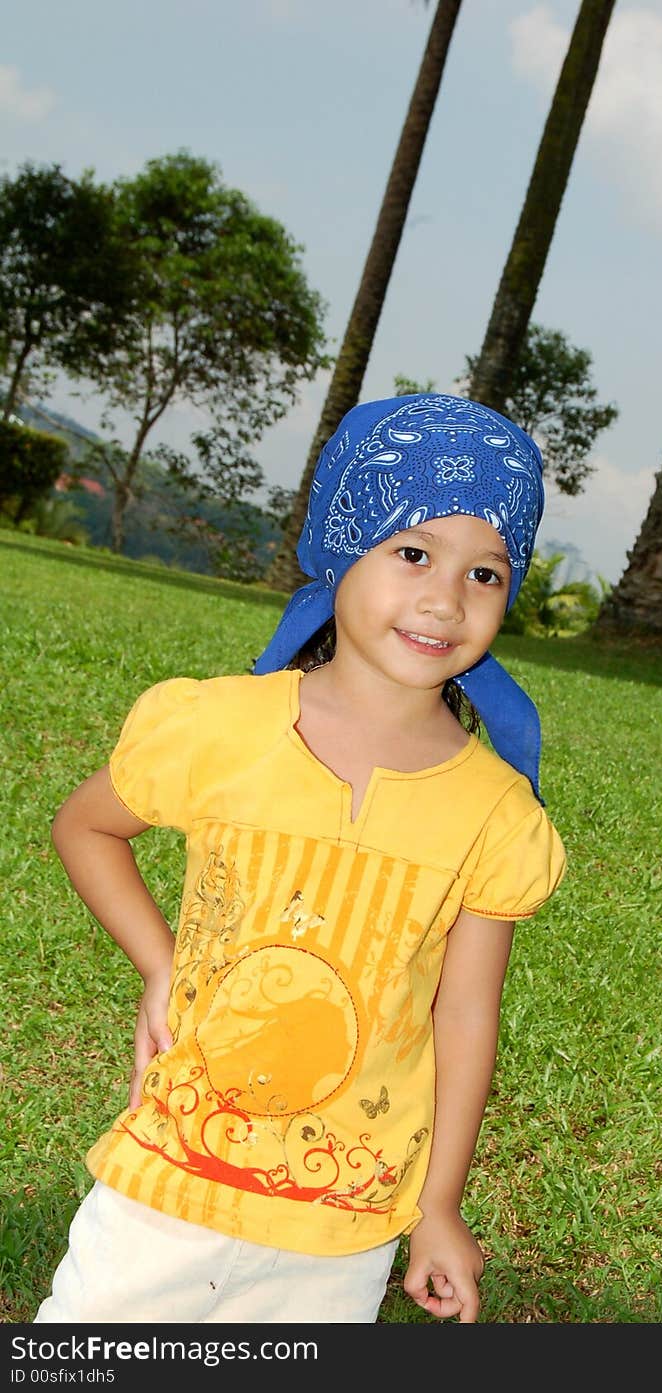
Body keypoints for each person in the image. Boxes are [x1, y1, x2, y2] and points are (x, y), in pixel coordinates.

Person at [35, 392, 567, 1325]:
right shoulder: (219, 727)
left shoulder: (495, 812)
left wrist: (436, 1204)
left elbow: (466, 1013)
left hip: (341, 1228)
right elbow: (86, 827)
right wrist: (161, 965)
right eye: (413, 553)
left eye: (485, 572)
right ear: (341, 549)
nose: (446, 597)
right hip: (165, 1187)